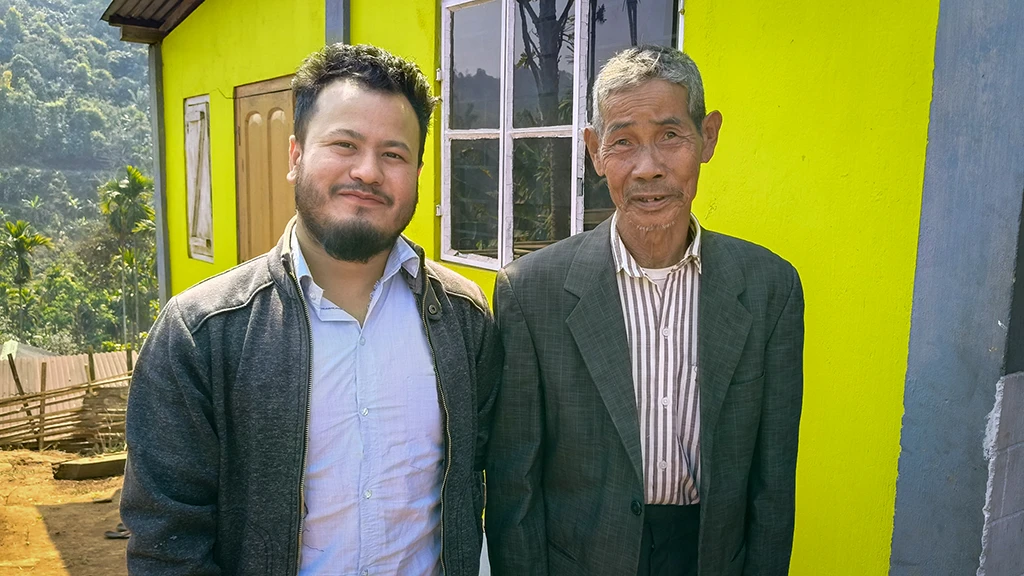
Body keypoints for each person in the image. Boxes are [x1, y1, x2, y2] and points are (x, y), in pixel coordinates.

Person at [121, 43, 500, 576]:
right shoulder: (203, 331)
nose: (368, 172)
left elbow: (483, 488)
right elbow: (167, 541)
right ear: (296, 155)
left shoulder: (462, 319)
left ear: (417, 171)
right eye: (344, 144)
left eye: (394, 154)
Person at [486, 45, 804, 576]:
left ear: (708, 137)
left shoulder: (771, 288)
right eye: (623, 142)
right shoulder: (532, 293)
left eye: (670, 136)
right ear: (594, 150)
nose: (648, 168)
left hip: (710, 557)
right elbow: (514, 487)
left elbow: (773, 484)